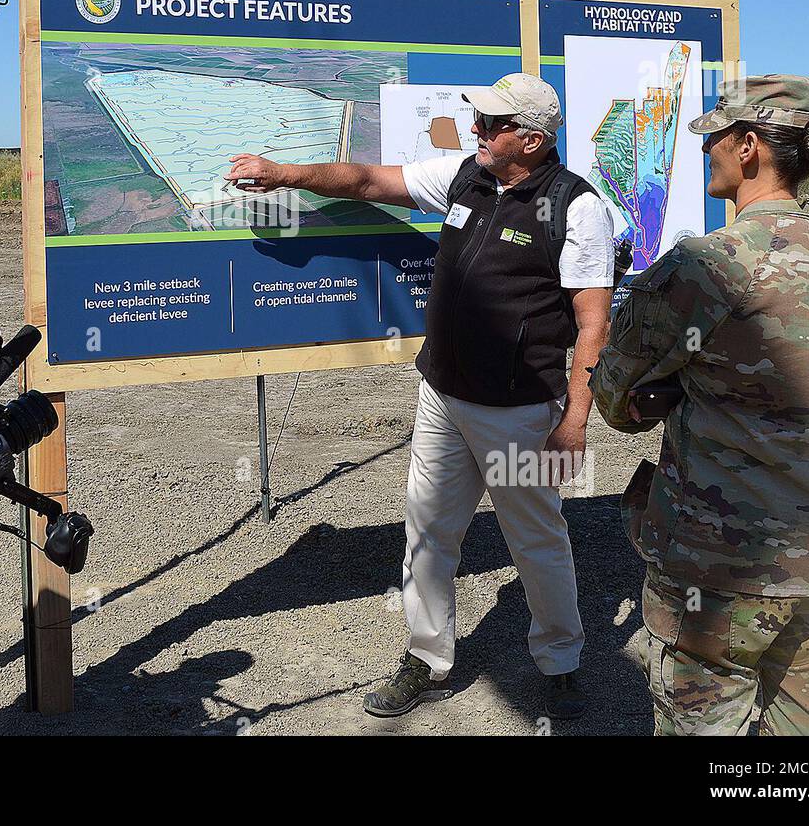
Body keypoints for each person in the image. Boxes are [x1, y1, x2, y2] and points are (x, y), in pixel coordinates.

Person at [228, 72, 615, 719]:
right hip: (443, 396)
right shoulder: (466, 177)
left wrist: (575, 420)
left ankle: (560, 663)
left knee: (535, 539)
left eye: (492, 123)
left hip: (520, 412)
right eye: (479, 119)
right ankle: (427, 657)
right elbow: (367, 182)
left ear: (532, 139)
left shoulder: (575, 208)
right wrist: (284, 173)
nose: (476, 130)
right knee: (429, 532)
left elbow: (593, 322)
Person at [591, 75, 809, 736]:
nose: (705, 150)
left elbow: (615, 399)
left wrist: (666, 388)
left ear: (748, 146)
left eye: (716, 137)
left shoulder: (704, 265)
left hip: (722, 571)